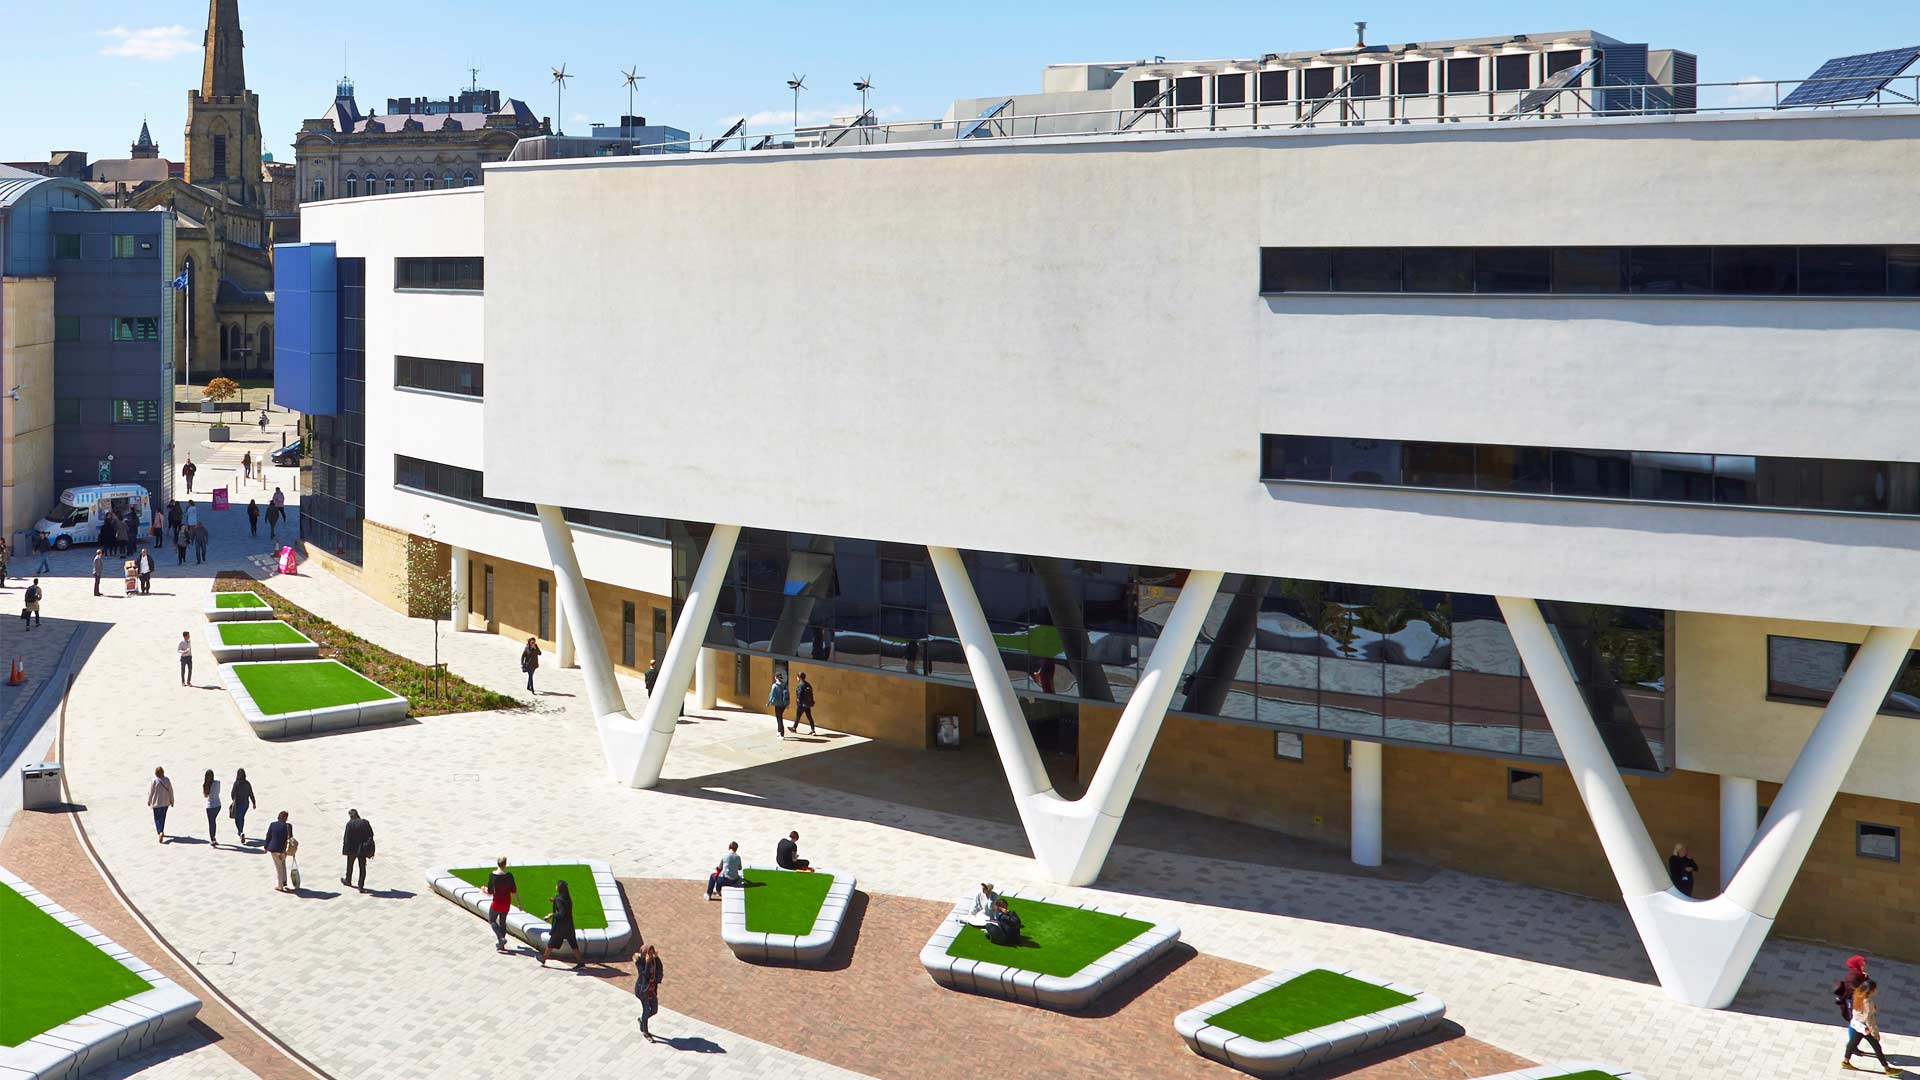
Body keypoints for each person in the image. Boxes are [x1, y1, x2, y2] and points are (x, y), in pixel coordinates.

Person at [1843, 979, 1896, 1075]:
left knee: (1852, 1043)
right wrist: (1875, 1033)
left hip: (1856, 1023)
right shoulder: (1868, 1002)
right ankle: (1887, 1069)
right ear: (1870, 991)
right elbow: (1869, 1019)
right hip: (1865, 1027)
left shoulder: (1857, 994)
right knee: (1877, 1047)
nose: (1876, 991)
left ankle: (1846, 1061)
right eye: (1875, 989)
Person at [540, 879, 583, 969]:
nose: (555, 887)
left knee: (551, 942)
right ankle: (580, 962)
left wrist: (550, 915)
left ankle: (543, 959)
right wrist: (554, 900)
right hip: (569, 925)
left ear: (559, 888)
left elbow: (561, 913)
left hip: (561, 926)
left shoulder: (559, 899)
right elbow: (563, 905)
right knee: (572, 943)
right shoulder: (566, 897)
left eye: (556, 886)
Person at [484, 857, 517, 953]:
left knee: (492, 920)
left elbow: (490, 891)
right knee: (503, 922)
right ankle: (501, 945)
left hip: (497, 903)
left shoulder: (492, 875)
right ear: (505, 864)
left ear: (497, 864)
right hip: (506, 903)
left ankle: (501, 938)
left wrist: (484, 890)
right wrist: (519, 903)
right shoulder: (509, 876)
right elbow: (514, 890)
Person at [634, 943, 663, 1042]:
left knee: (654, 1010)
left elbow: (660, 969)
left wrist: (657, 958)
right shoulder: (640, 962)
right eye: (649, 953)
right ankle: (645, 1031)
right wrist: (647, 963)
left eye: (652, 952)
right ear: (644, 953)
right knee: (646, 1010)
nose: (650, 955)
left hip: (652, 990)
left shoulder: (654, 961)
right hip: (643, 990)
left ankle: (642, 1020)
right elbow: (645, 976)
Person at [342, 809, 374, 891]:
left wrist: (345, 850)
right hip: (362, 849)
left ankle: (348, 880)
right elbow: (371, 835)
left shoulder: (349, 824)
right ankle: (360, 886)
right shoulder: (365, 823)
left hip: (352, 850)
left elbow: (346, 838)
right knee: (362, 868)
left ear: (351, 816)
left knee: (349, 866)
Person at [263, 811, 294, 892]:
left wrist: (266, 847)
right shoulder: (287, 826)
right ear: (285, 818)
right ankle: (284, 882)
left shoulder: (272, 824)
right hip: (283, 850)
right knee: (283, 865)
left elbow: (268, 836)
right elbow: (290, 838)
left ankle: (280, 886)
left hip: (274, 849)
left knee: (278, 867)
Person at [147, 766, 174, 843]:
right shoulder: (167, 780)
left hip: (157, 803)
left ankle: (160, 831)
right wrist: (172, 801)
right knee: (162, 817)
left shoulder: (154, 781)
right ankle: (161, 830)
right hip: (165, 803)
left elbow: (151, 792)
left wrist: (149, 800)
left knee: (157, 818)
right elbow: (170, 791)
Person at [230, 768, 256, 843]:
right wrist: (254, 803)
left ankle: (240, 831)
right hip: (245, 804)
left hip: (238, 804)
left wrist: (234, 799)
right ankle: (240, 831)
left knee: (237, 818)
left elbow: (232, 794)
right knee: (241, 817)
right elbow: (251, 793)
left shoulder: (236, 783)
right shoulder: (247, 783)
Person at [202, 769, 223, 848]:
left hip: (210, 806)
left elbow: (205, 796)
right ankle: (214, 838)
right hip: (218, 805)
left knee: (211, 823)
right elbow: (218, 792)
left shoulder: (206, 785)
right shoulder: (218, 783)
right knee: (213, 821)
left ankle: (212, 839)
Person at [768, 671, 791, 738]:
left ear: (776, 677)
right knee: (780, 717)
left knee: (779, 718)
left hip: (777, 704)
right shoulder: (784, 684)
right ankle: (779, 731)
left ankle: (781, 733)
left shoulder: (774, 685)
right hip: (783, 704)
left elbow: (771, 695)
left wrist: (769, 703)